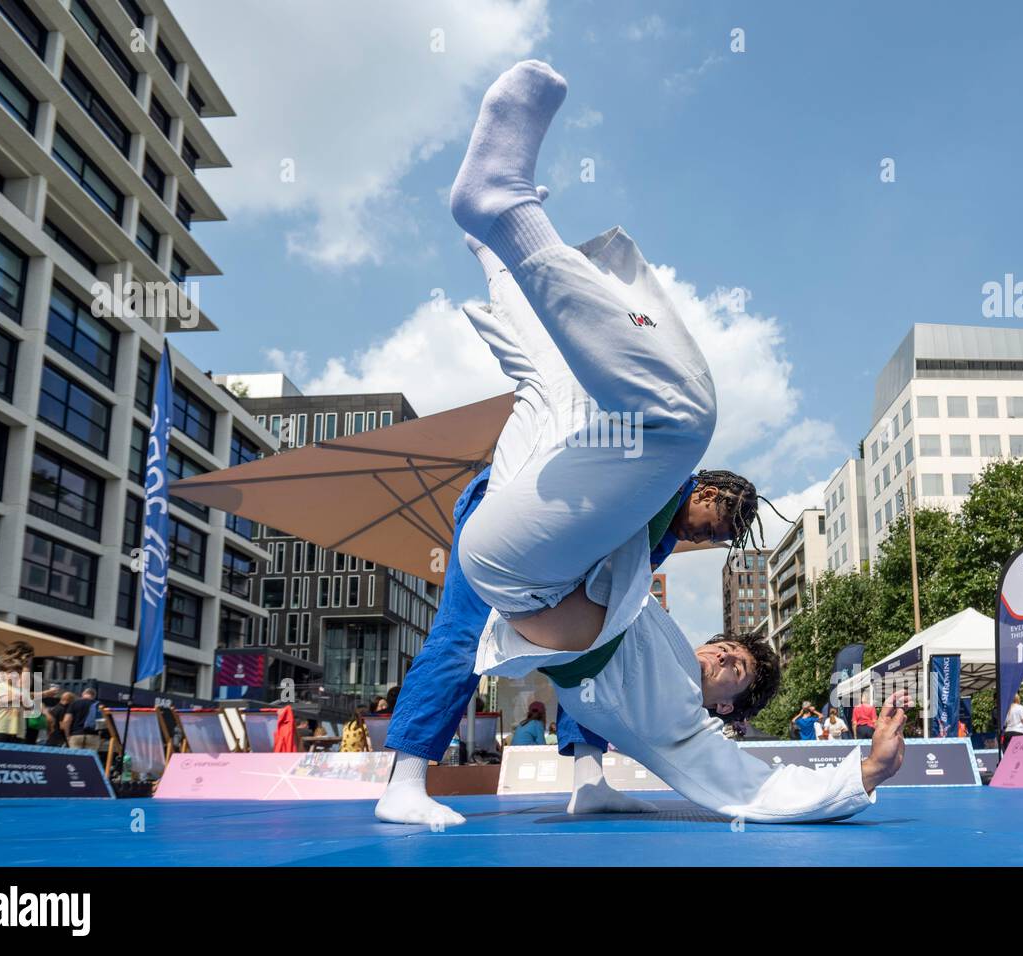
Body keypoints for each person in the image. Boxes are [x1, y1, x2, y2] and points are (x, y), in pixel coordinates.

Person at [446, 60, 909, 821]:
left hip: (518, 575)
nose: (725, 659)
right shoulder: (656, 625)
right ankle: (498, 246)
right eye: (728, 650)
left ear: (732, 709)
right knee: (552, 383)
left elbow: (752, 787)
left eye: (734, 673)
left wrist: (862, 773)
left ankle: (502, 209)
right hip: (522, 532)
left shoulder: (680, 729)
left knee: (682, 419)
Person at [375, 200, 768, 827]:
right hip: (503, 521)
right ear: (703, 488)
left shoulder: (659, 528)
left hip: (545, 560)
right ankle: (404, 777)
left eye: (718, 538)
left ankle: (589, 776)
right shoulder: (656, 467)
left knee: (602, 649)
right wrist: (502, 257)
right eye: (713, 520)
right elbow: (551, 364)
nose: (709, 535)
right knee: (462, 636)